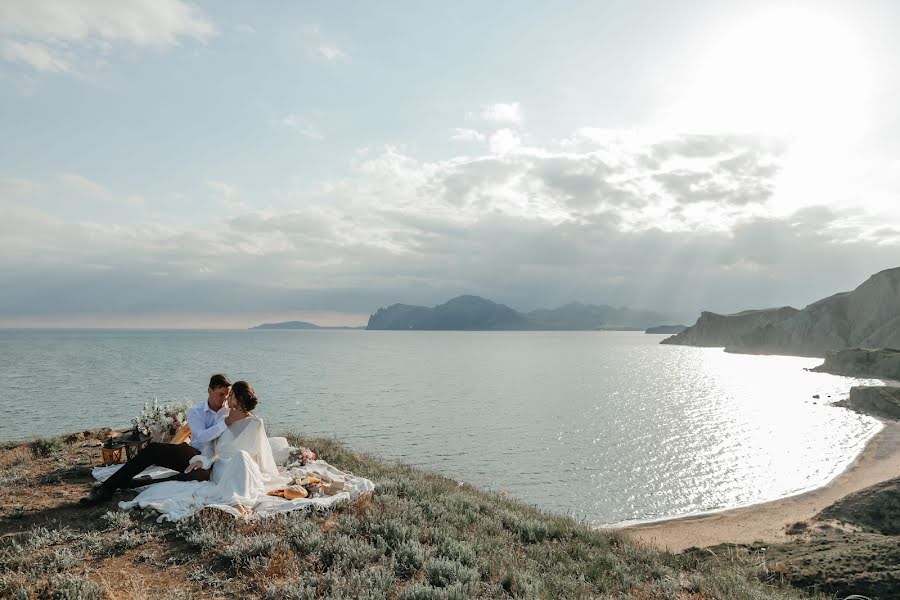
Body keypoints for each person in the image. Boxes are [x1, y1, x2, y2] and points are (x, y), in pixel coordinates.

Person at [119, 381, 290, 520]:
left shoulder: (256, 423)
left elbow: (259, 454)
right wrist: (203, 460)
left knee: (242, 456)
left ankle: (239, 500)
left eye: (230, 395)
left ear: (238, 399)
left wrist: (261, 475)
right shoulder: (223, 419)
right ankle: (236, 501)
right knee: (239, 457)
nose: (227, 399)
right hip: (222, 469)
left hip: (245, 468)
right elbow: (209, 448)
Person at [80, 373, 235, 504]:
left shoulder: (229, 413)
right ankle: (106, 489)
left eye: (227, 395)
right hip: (191, 453)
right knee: (154, 449)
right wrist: (225, 424)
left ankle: (136, 483)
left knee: (195, 477)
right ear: (210, 390)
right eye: (221, 394)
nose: (225, 398)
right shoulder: (196, 411)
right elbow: (202, 437)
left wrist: (229, 419)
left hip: (214, 461)